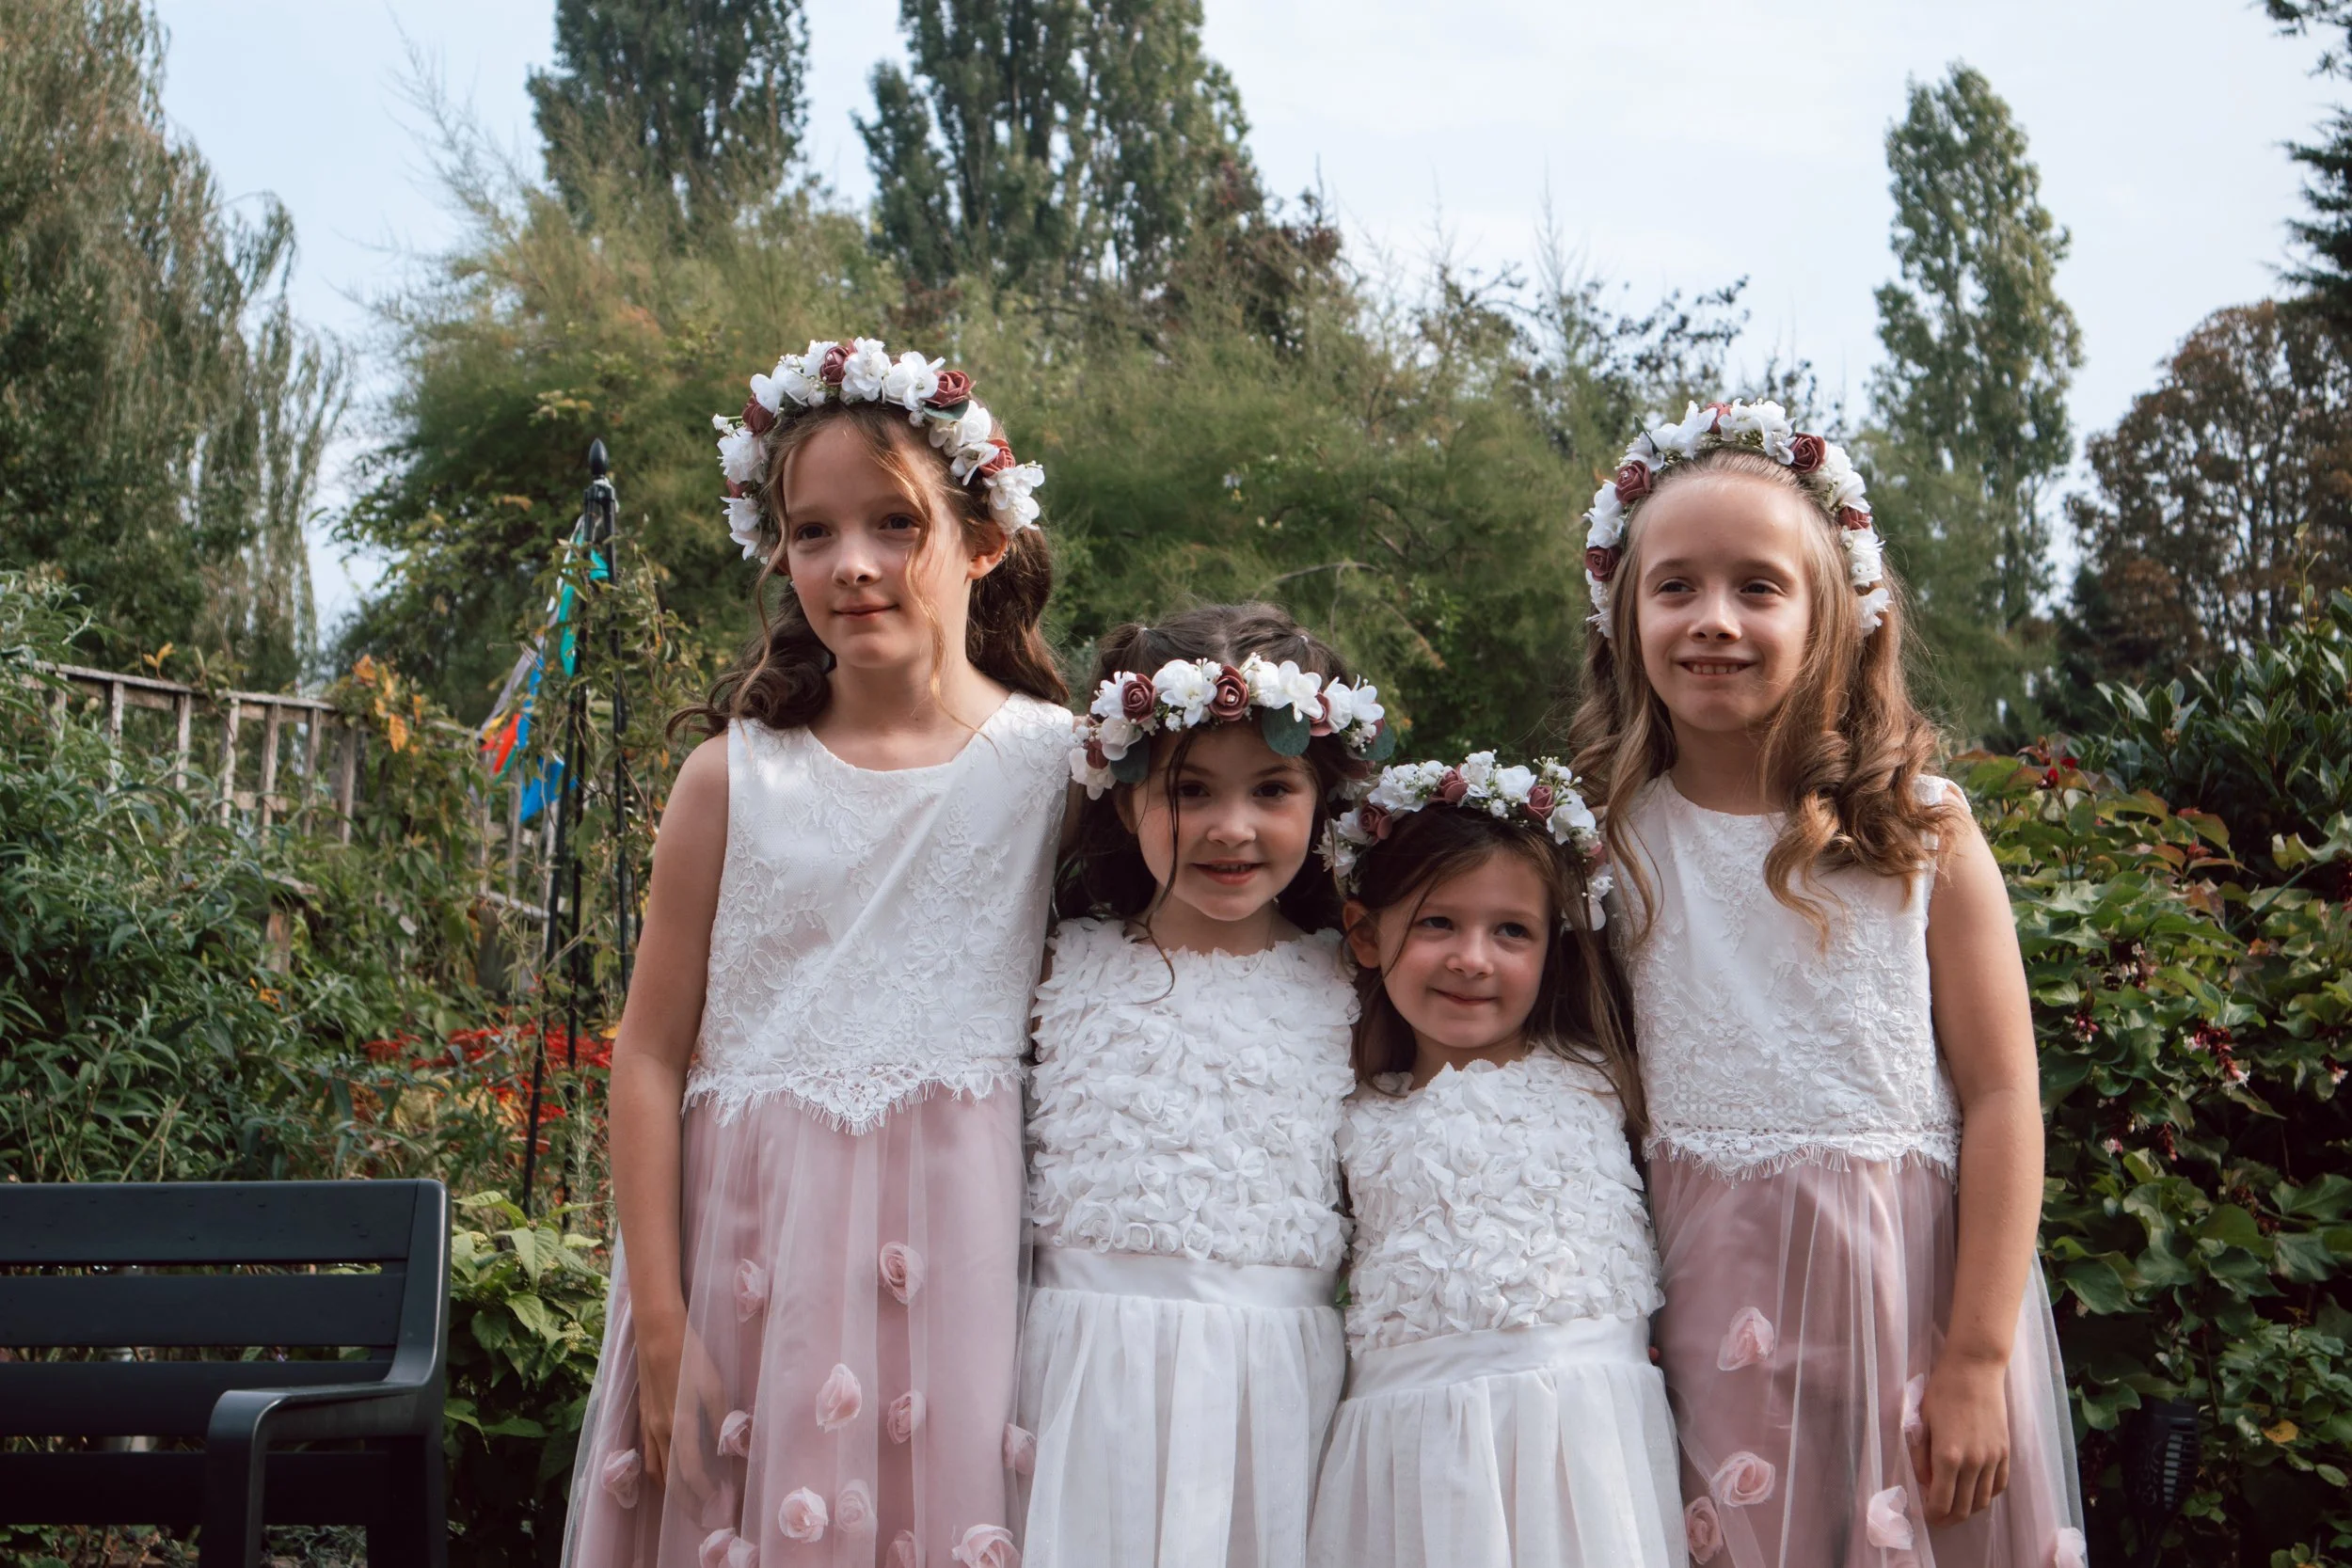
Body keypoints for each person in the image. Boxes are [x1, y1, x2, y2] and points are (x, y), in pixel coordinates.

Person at [564, 338, 1070, 1568]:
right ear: (779, 553)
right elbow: (645, 1055)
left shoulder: (1059, 769)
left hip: (956, 1253)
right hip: (745, 1252)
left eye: (896, 523)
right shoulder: (728, 777)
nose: (851, 564)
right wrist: (668, 1320)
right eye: (812, 532)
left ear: (984, 536)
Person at [1566, 401, 2086, 1567]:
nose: (1713, 620)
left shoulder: (1919, 832)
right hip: (1701, 1297)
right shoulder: (1602, 841)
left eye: (1757, 587)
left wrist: (1974, 1359)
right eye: (1675, 587)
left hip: (1907, 1292)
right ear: (1621, 611)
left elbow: (2004, 1094)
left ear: (1833, 616)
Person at [1016, 603, 1391, 1568]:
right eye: (1189, 790)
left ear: (1320, 801)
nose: (1231, 828)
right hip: (1074, 1394)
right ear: (1125, 796)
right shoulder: (1053, 972)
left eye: (1271, 788)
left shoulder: (1353, 992)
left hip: (1275, 1409)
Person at [1306, 752, 1686, 1568]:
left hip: (1586, 1454)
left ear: (1557, 942)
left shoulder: (1603, 1081)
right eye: (1437, 922)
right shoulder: (1349, 1109)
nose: (1472, 958)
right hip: (1411, 1471)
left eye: (1510, 929)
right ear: (1367, 934)